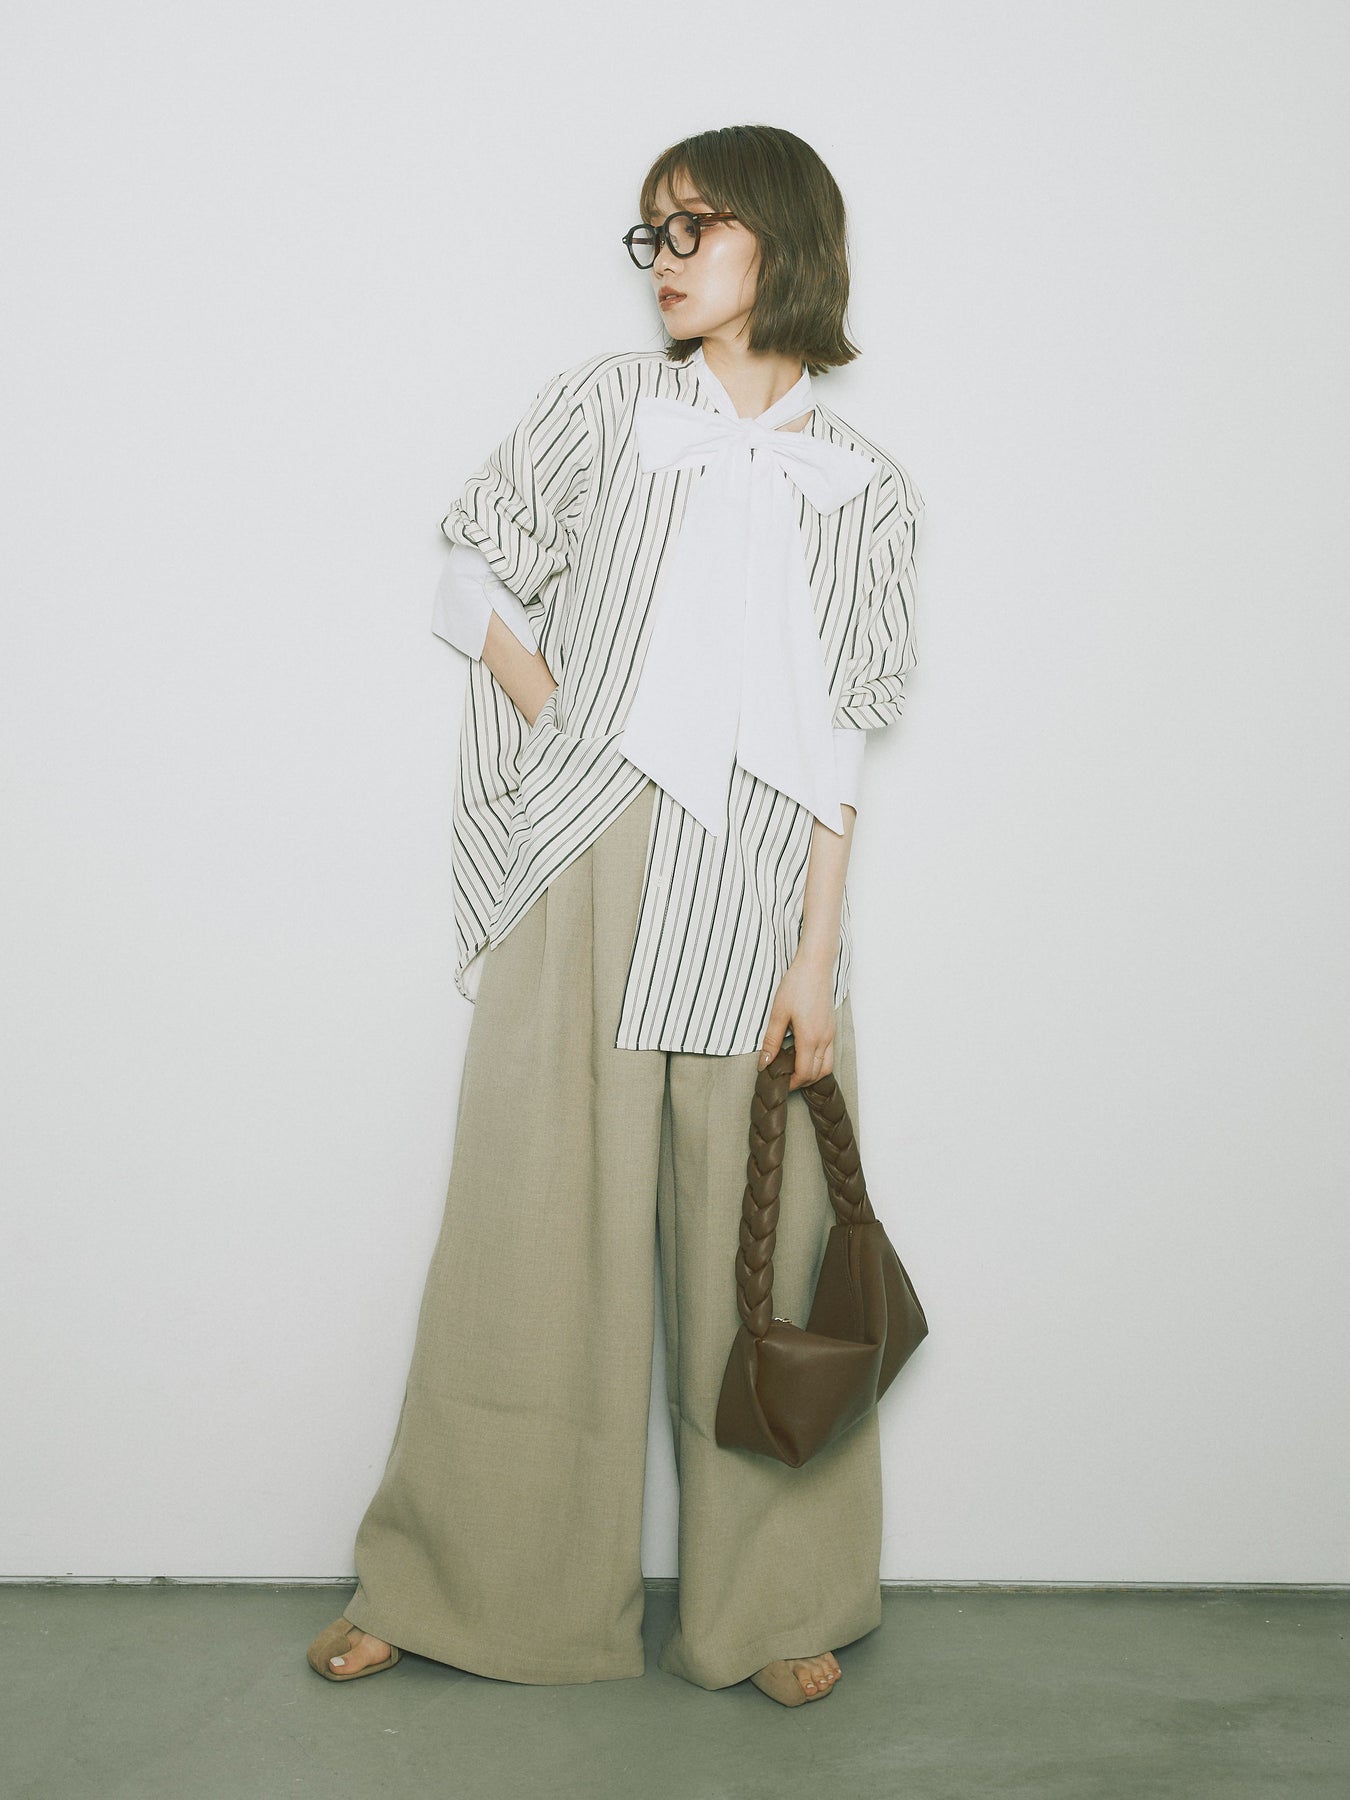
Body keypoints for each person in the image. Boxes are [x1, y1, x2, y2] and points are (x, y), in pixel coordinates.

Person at [306, 122, 926, 1709]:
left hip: (759, 886)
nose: (664, 258)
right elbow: (472, 579)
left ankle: (775, 1603)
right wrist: (569, 720)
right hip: (587, 856)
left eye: (695, 227)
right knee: (528, 1235)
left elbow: (840, 740)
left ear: (781, 240)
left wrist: (815, 960)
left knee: (760, 1256)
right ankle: (460, 1589)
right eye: (651, 232)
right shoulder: (603, 407)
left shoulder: (863, 489)